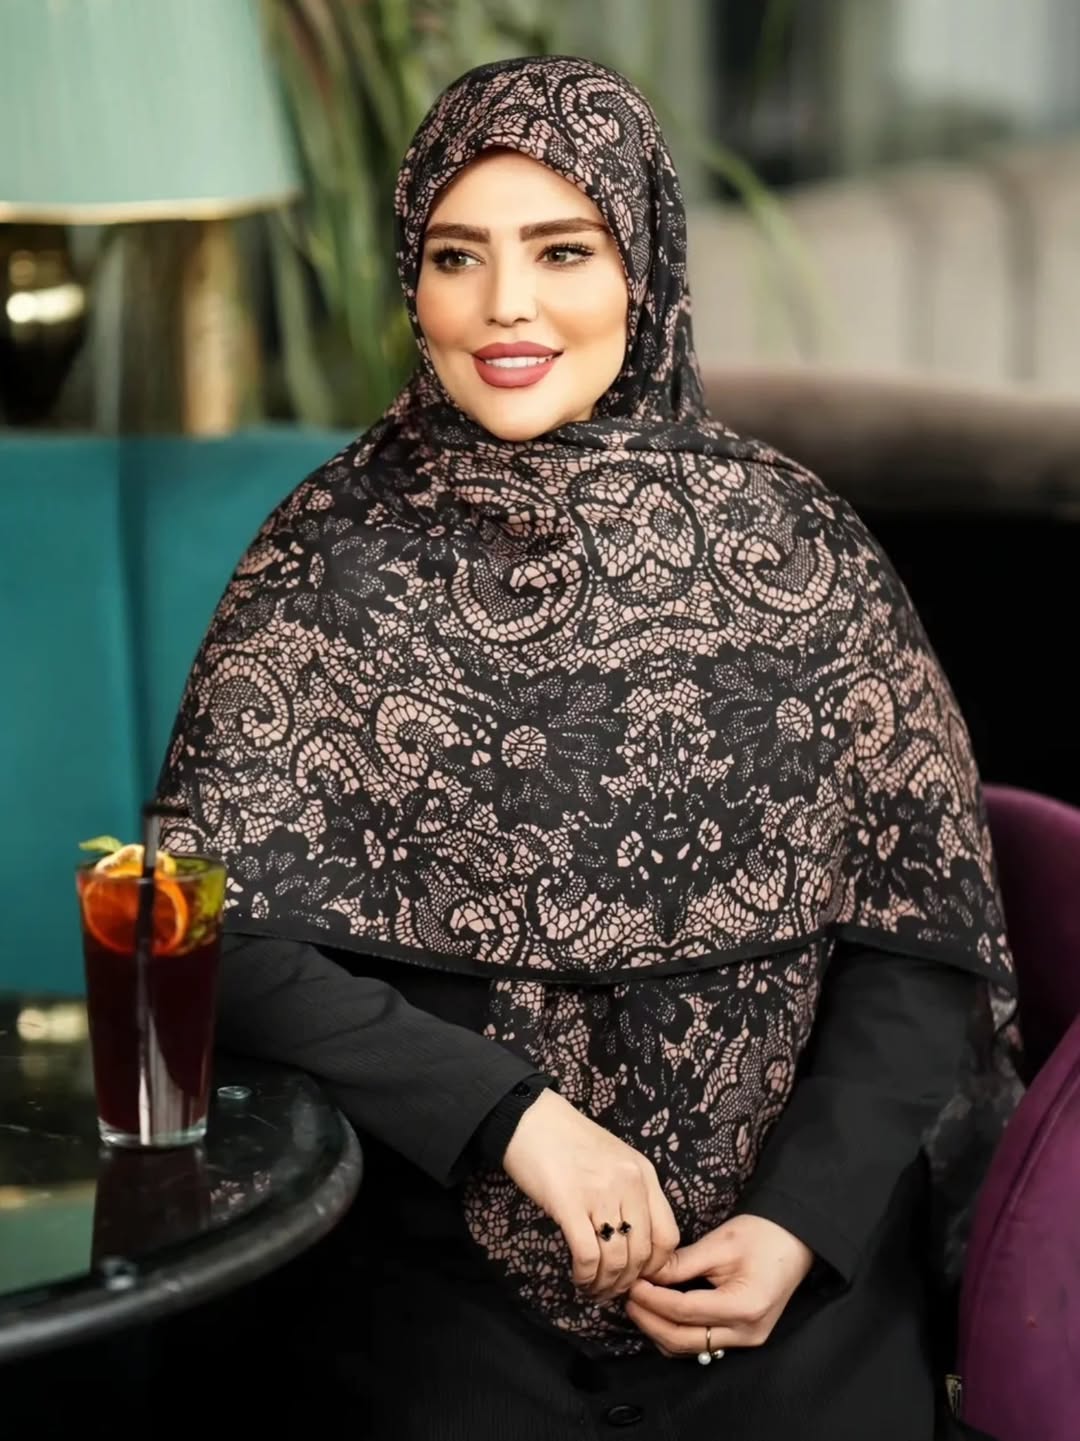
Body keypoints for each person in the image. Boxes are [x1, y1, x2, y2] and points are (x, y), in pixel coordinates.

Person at [157, 56, 1021, 1441]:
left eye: (563, 249)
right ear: (413, 281)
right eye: (458, 255)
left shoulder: (801, 548)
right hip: (434, 1300)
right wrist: (516, 1120)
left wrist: (801, 1224)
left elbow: (916, 944)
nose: (505, 303)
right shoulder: (327, 557)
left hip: (801, 1307)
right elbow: (219, 935)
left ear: (646, 270)